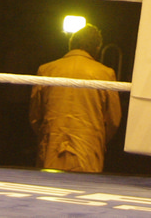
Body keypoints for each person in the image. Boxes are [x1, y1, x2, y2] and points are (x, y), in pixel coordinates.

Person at [30, 24, 122, 172]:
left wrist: (45, 135)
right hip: (88, 149)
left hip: (51, 146)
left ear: (71, 44)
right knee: (83, 186)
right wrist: (98, 139)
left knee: (48, 185)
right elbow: (113, 119)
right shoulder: (105, 74)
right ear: (97, 48)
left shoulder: (46, 70)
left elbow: (35, 115)